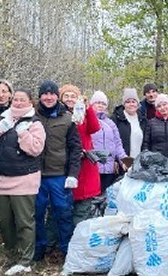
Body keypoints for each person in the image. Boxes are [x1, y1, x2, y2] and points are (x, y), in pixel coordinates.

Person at [0, 88, 46, 275]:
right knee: (4, 221)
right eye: (15, 99)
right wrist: (0, 128)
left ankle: (26, 261)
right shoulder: (2, 119)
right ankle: (12, 255)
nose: (18, 102)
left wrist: (22, 133)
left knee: (24, 221)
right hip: (1, 180)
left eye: (22, 100)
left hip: (25, 180)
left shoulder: (34, 123)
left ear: (29, 103)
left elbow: (35, 149)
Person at [34, 80, 82, 262]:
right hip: (35, 175)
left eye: (52, 94)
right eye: (45, 94)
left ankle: (67, 251)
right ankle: (38, 251)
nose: (48, 97)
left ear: (57, 96)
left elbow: (75, 148)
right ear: (40, 96)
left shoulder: (67, 119)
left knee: (63, 213)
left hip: (59, 176)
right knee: (36, 214)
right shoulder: (32, 116)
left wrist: (73, 174)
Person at [61, 84, 102, 224]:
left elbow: (95, 127)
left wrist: (88, 107)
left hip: (85, 162)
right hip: (67, 162)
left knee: (84, 204)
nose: (69, 99)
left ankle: (78, 236)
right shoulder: (59, 115)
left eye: (73, 96)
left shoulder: (82, 113)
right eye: (66, 96)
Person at [90, 91, 127, 192]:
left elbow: (118, 144)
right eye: (98, 103)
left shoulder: (111, 124)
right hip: (92, 168)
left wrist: (126, 161)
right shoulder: (86, 120)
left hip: (109, 170)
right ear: (92, 104)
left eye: (103, 104)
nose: (100, 106)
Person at [111, 87, 146, 165]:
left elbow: (146, 143)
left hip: (139, 163)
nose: (131, 104)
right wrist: (116, 161)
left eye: (133, 101)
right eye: (128, 102)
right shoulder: (116, 119)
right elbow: (113, 142)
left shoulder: (143, 120)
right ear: (124, 104)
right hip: (122, 163)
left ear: (137, 103)